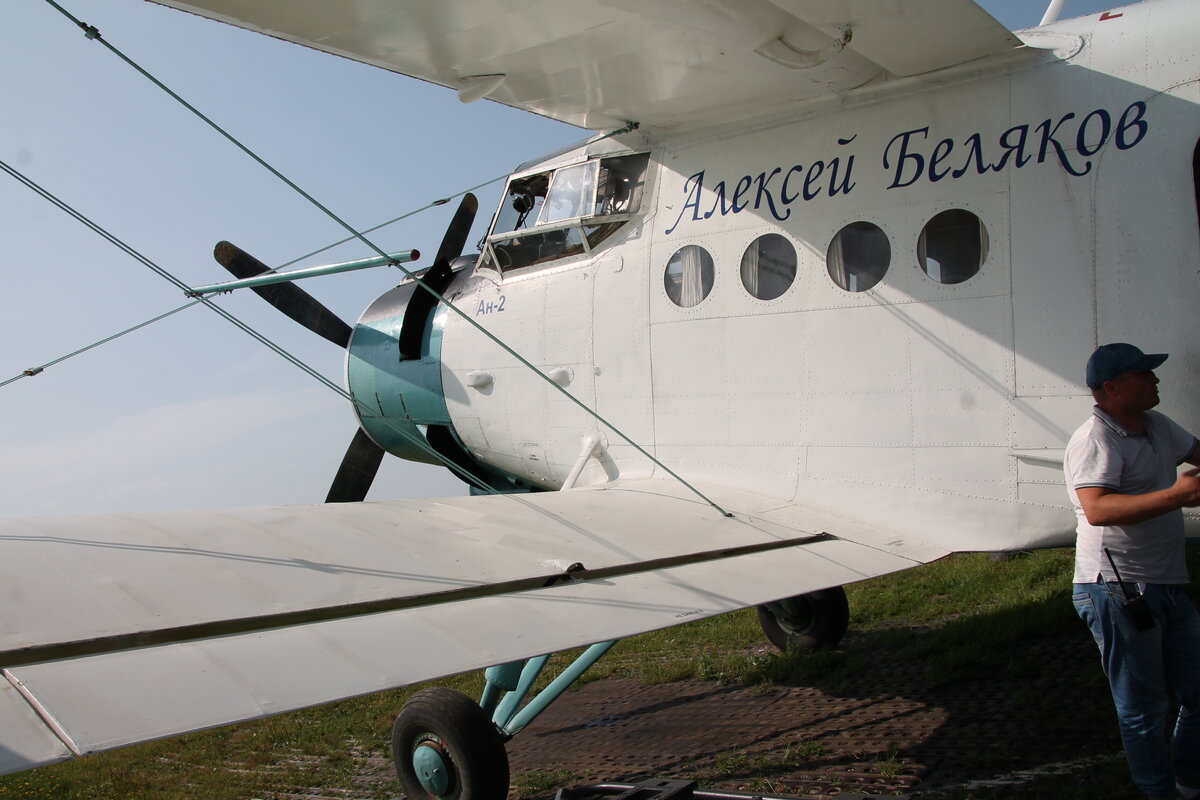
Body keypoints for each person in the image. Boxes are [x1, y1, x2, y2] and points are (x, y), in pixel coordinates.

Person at [1065, 342, 1200, 799]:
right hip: (1115, 588)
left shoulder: (1157, 425)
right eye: (1145, 374)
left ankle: (1190, 780)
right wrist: (1175, 497)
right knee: (1143, 708)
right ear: (1113, 387)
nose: (1156, 380)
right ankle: (1159, 793)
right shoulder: (1094, 439)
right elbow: (1097, 509)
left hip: (1164, 582)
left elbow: (1198, 453)